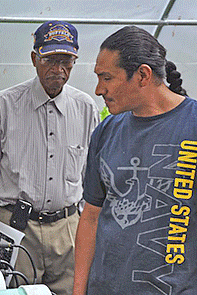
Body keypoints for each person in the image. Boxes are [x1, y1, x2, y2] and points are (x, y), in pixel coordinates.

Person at [0, 21, 99, 294]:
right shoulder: (3, 105)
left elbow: (93, 180)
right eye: (50, 60)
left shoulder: (86, 108)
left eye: (66, 61)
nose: (58, 69)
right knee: (16, 290)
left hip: (67, 232)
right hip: (16, 229)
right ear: (34, 59)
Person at [73, 25, 197, 295]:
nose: (98, 89)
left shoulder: (192, 125)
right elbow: (91, 217)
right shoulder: (106, 131)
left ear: (142, 75)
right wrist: (79, 290)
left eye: (107, 78)